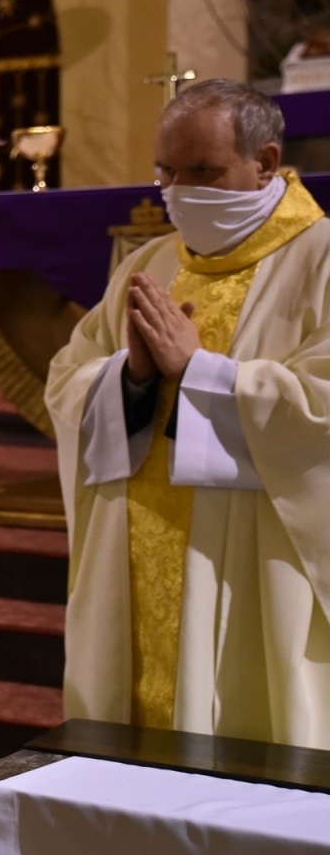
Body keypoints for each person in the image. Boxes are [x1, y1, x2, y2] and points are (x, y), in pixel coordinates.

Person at [47, 78, 330, 748]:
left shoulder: (321, 259)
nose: (178, 191)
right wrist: (131, 377)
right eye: (165, 172)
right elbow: (65, 383)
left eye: (201, 171)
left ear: (264, 161)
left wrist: (201, 374)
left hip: (255, 568)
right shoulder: (148, 264)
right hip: (136, 556)